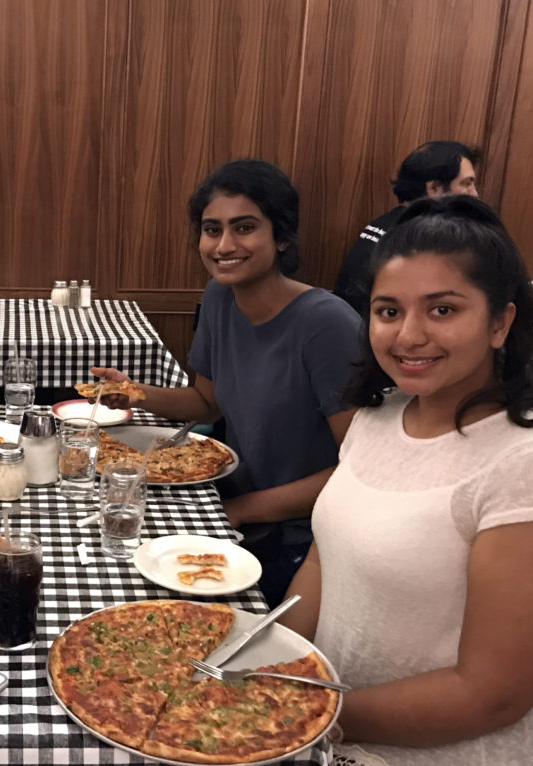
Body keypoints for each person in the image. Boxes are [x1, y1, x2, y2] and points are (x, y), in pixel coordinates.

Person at [283, 196, 533, 766]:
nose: (408, 335)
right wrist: (276, 663)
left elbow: (490, 696)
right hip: (335, 726)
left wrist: (303, 714)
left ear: (501, 322)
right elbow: (321, 563)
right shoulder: (377, 418)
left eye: (442, 310)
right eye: (388, 311)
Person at [91, 159, 363, 605]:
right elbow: (206, 402)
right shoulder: (219, 295)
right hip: (227, 503)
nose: (224, 245)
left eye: (244, 228)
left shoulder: (327, 324)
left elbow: (360, 472)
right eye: (211, 229)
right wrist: (135, 393)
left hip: (301, 544)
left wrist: (239, 512)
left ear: (282, 236)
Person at [333, 141, 481, 316]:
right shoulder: (422, 239)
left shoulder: (386, 223)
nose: (474, 194)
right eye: (466, 184)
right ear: (434, 188)